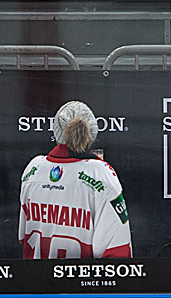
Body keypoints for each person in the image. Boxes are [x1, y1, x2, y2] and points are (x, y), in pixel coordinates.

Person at [19, 101, 132, 259]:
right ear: (91, 134)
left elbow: (23, 238)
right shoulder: (101, 175)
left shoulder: (33, 170)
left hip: (35, 280)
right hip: (83, 282)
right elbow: (117, 250)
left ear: (57, 133)